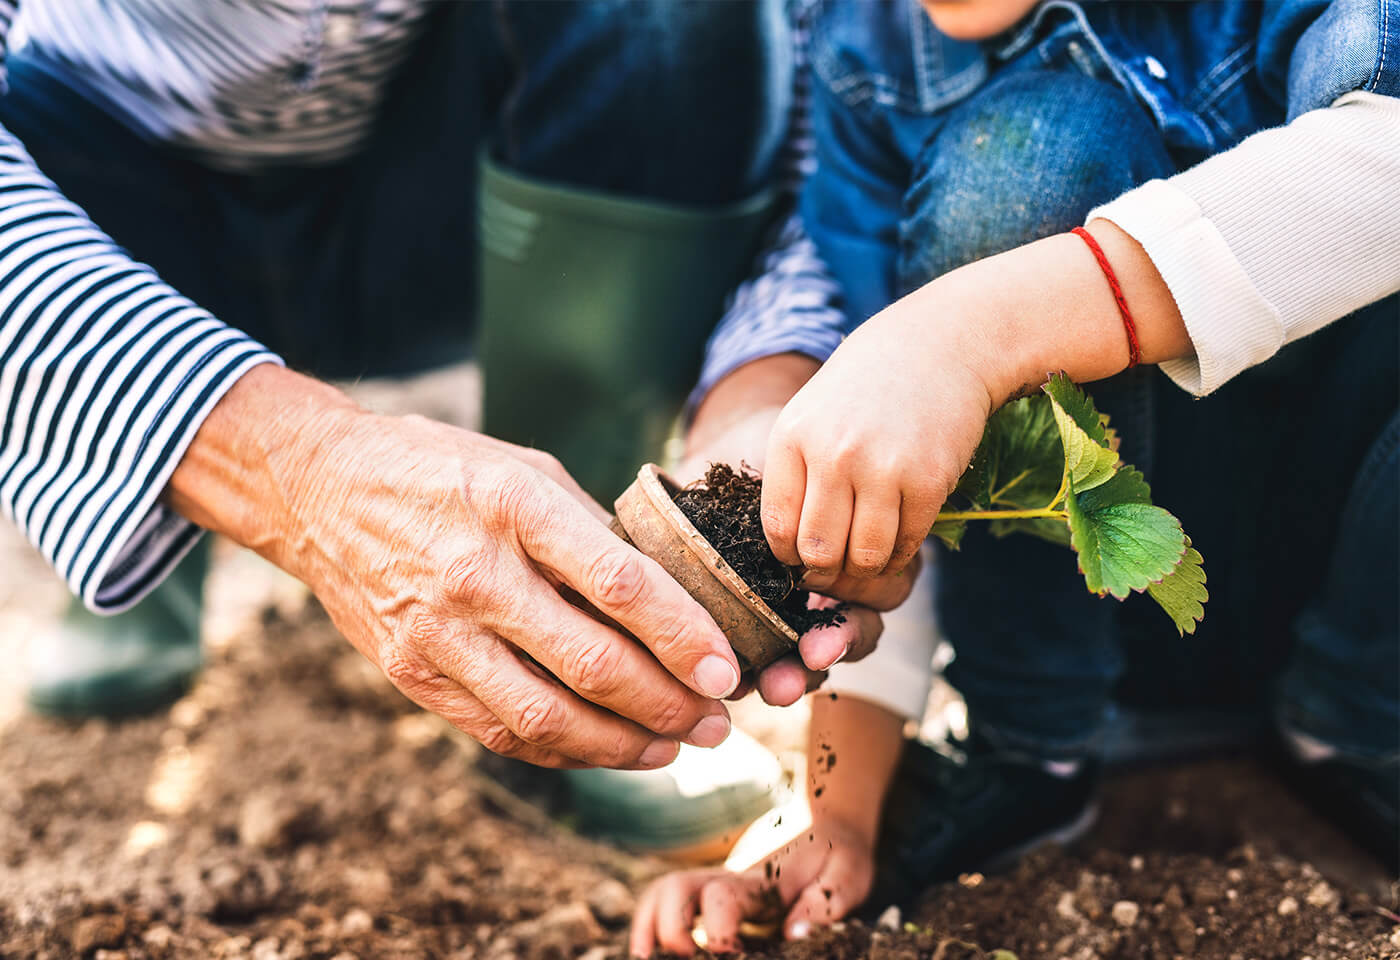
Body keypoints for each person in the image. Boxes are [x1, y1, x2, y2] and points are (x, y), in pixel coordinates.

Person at [631, 0, 1399, 952]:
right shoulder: (865, 55)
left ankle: (1362, 724)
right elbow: (880, 449)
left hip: (1357, 582)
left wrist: (975, 331)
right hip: (1086, 637)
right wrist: (835, 808)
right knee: (1028, 151)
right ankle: (1029, 747)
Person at [2, 1, 901, 772]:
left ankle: (581, 619)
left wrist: (765, 382)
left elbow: (824, 86)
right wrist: (296, 466)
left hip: (446, 195)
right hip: (103, 187)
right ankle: (134, 535)